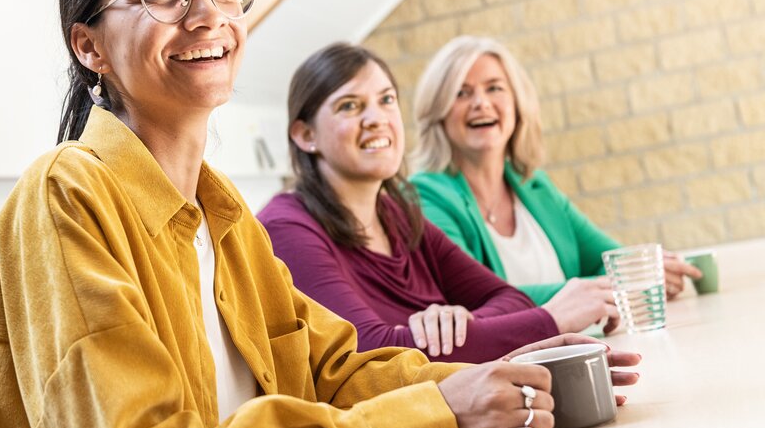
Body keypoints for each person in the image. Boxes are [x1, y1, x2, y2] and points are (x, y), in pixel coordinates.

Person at [0, 0, 640, 428]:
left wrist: (500, 374)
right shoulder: (65, 194)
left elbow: (335, 370)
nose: (207, 13)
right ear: (88, 46)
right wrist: (435, 418)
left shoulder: (222, 210)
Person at [258, 43, 616, 363]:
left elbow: (509, 298)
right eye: (350, 106)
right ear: (306, 135)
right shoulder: (288, 228)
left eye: (386, 100)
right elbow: (372, 352)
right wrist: (551, 320)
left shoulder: (400, 216)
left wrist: (461, 321)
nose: (376, 119)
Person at [410, 35, 701, 308]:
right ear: (439, 111)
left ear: (517, 103)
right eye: (462, 93)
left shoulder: (534, 186)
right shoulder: (424, 196)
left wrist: (646, 268)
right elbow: (477, 299)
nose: (481, 103)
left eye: (494, 88)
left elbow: (609, 263)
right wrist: (616, 285)